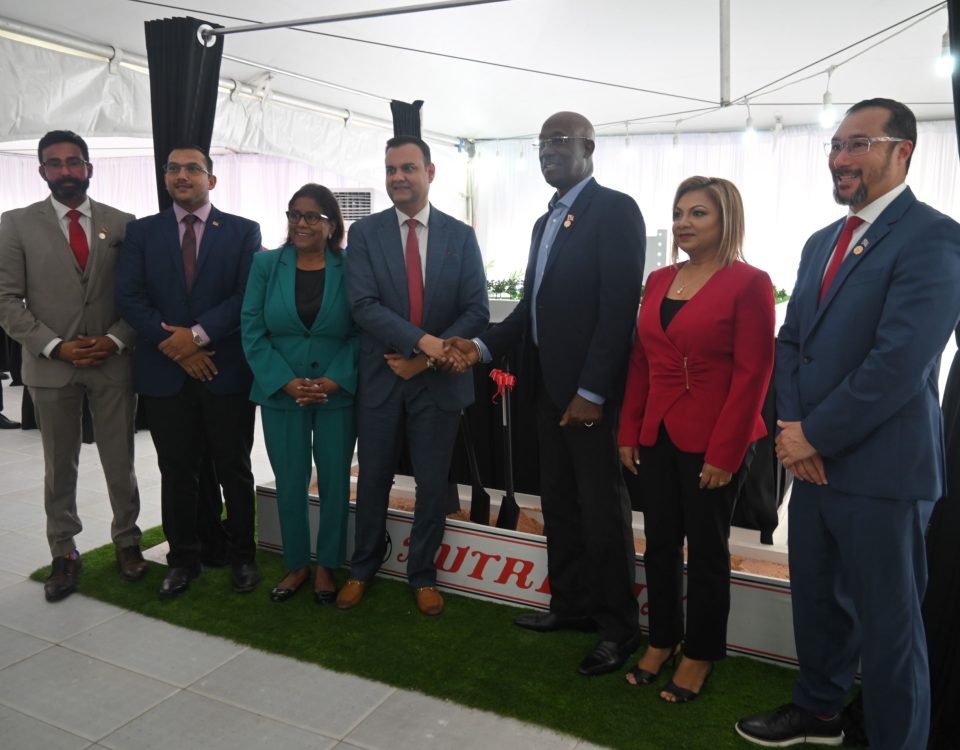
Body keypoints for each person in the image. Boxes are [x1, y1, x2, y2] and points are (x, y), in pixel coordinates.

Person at [736, 99, 960, 748]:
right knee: (819, 606)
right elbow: (792, 342)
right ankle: (820, 710)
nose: (839, 159)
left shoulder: (935, 238)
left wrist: (813, 434)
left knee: (892, 632)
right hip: (810, 464)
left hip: (883, 474)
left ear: (902, 152)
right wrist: (790, 428)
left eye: (858, 144)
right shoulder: (820, 243)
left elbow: (900, 361)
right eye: (835, 145)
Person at [447, 111, 645, 676]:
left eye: (559, 141)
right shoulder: (545, 223)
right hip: (545, 395)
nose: (547, 151)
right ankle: (572, 606)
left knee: (601, 513)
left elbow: (617, 310)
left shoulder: (615, 210)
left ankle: (618, 628)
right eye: (541, 143)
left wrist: (591, 391)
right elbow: (528, 314)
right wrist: (478, 349)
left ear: (589, 147)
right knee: (557, 506)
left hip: (587, 401)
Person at [617, 176, 775, 702]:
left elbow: (754, 374)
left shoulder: (749, 282)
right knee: (659, 543)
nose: (683, 222)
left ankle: (700, 652)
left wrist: (726, 453)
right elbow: (642, 361)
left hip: (716, 438)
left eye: (698, 213)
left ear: (725, 218)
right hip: (657, 432)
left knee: (706, 550)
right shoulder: (659, 278)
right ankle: (662, 638)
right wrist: (629, 430)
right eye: (679, 212)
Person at [336, 135, 488, 617]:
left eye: (407, 168)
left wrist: (426, 359)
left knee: (431, 483)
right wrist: (423, 343)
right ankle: (362, 568)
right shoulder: (364, 234)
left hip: (437, 380)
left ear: (430, 172)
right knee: (374, 477)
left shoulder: (460, 236)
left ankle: (422, 575)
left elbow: (476, 310)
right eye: (389, 170)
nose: (397, 177)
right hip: (381, 379)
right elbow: (362, 307)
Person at [0, 129, 145, 601]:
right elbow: (6, 299)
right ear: (42, 171)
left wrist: (115, 339)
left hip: (112, 362)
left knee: (120, 461)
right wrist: (55, 346)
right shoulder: (16, 224)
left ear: (89, 168)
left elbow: (140, 297)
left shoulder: (124, 224)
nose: (66, 171)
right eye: (55, 163)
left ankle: (128, 542)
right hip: (51, 366)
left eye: (74, 162)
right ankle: (63, 551)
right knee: (58, 466)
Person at [116, 144, 263, 599]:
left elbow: (245, 297)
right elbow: (130, 297)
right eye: (174, 169)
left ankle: (242, 555)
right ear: (165, 179)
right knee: (177, 470)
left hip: (225, 371)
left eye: (193, 169)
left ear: (211, 180)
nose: (183, 175)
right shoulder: (141, 233)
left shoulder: (242, 232)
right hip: (165, 374)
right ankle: (183, 558)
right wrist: (178, 348)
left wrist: (196, 337)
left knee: (233, 469)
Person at [241, 184, 358, 604]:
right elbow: (251, 328)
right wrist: (284, 381)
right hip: (281, 393)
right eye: (295, 214)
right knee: (289, 481)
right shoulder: (266, 264)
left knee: (333, 482)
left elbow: (363, 329)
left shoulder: (352, 267)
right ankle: (296, 564)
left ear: (332, 224)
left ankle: (327, 565)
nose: (302, 223)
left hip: (335, 395)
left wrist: (335, 379)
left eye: (313, 216)